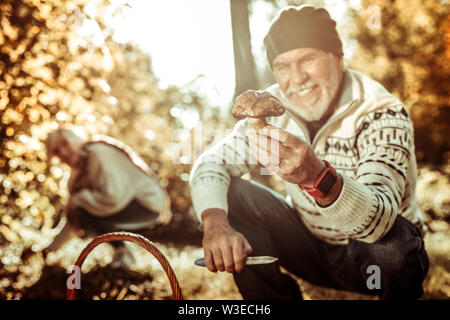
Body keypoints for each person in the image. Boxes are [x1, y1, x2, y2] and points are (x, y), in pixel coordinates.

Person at [189, 5, 429, 299]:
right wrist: (215, 221)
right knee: (234, 193)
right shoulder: (269, 107)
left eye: (308, 59)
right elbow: (211, 162)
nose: (297, 78)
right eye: (282, 66)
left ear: (339, 58)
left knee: (393, 239)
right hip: (310, 249)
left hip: (374, 260)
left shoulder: (381, 112)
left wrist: (318, 179)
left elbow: (379, 223)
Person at [43, 128, 172, 267]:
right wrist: (50, 249)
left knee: (85, 210)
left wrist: (80, 200)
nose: (63, 152)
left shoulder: (97, 152)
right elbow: (74, 216)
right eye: (57, 151)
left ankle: (124, 254)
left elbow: (112, 198)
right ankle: (123, 252)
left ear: (75, 139)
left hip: (146, 204)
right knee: (82, 211)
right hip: (131, 206)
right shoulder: (78, 175)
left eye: (65, 144)